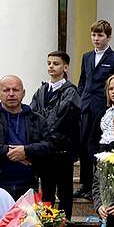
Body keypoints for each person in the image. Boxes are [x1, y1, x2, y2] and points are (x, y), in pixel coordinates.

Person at [0, 75, 53, 200]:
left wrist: (26, 151)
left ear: (23, 93)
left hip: (28, 184)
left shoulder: (37, 119)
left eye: (15, 90)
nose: (11, 94)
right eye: (6, 90)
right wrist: (7, 151)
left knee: (27, 220)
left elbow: (49, 146)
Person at [76, 19, 114, 199]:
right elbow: (83, 80)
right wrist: (80, 98)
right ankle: (84, 183)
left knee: (96, 145)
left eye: (100, 35)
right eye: (94, 35)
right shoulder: (87, 56)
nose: (96, 39)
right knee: (83, 145)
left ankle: (95, 185)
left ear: (108, 37)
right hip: (86, 105)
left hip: (102, 107)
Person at [30, 51, 81, 218]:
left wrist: (47, 135)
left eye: (56, 63)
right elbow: (33, 114)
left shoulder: (70, 91)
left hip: (62, 148)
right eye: (49, 63)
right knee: (47, 190)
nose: (51, 66)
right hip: (44, 150)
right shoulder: (41, 91)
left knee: (64, 190)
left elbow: (63, 117)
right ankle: (47, 224)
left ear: (65, 67)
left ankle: (63, 224)